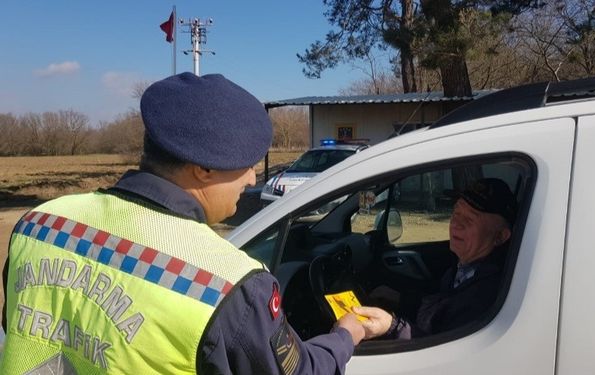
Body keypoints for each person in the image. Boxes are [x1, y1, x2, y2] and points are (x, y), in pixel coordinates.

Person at [1, 72, 366, 374]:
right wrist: (345, 334)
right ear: (203, 168)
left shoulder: (40, 223)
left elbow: (15, 327)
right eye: (247, 164)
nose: (253, 180)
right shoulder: (230, 286)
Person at [354, 178, 517, 340]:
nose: (455, 223)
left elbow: (442, 350)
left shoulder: (489, 295)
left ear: (500, 236)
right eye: (456, 212)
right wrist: (401, 299)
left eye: (469, 219)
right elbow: (441, 304)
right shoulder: (466, 267)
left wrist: (392, 326)